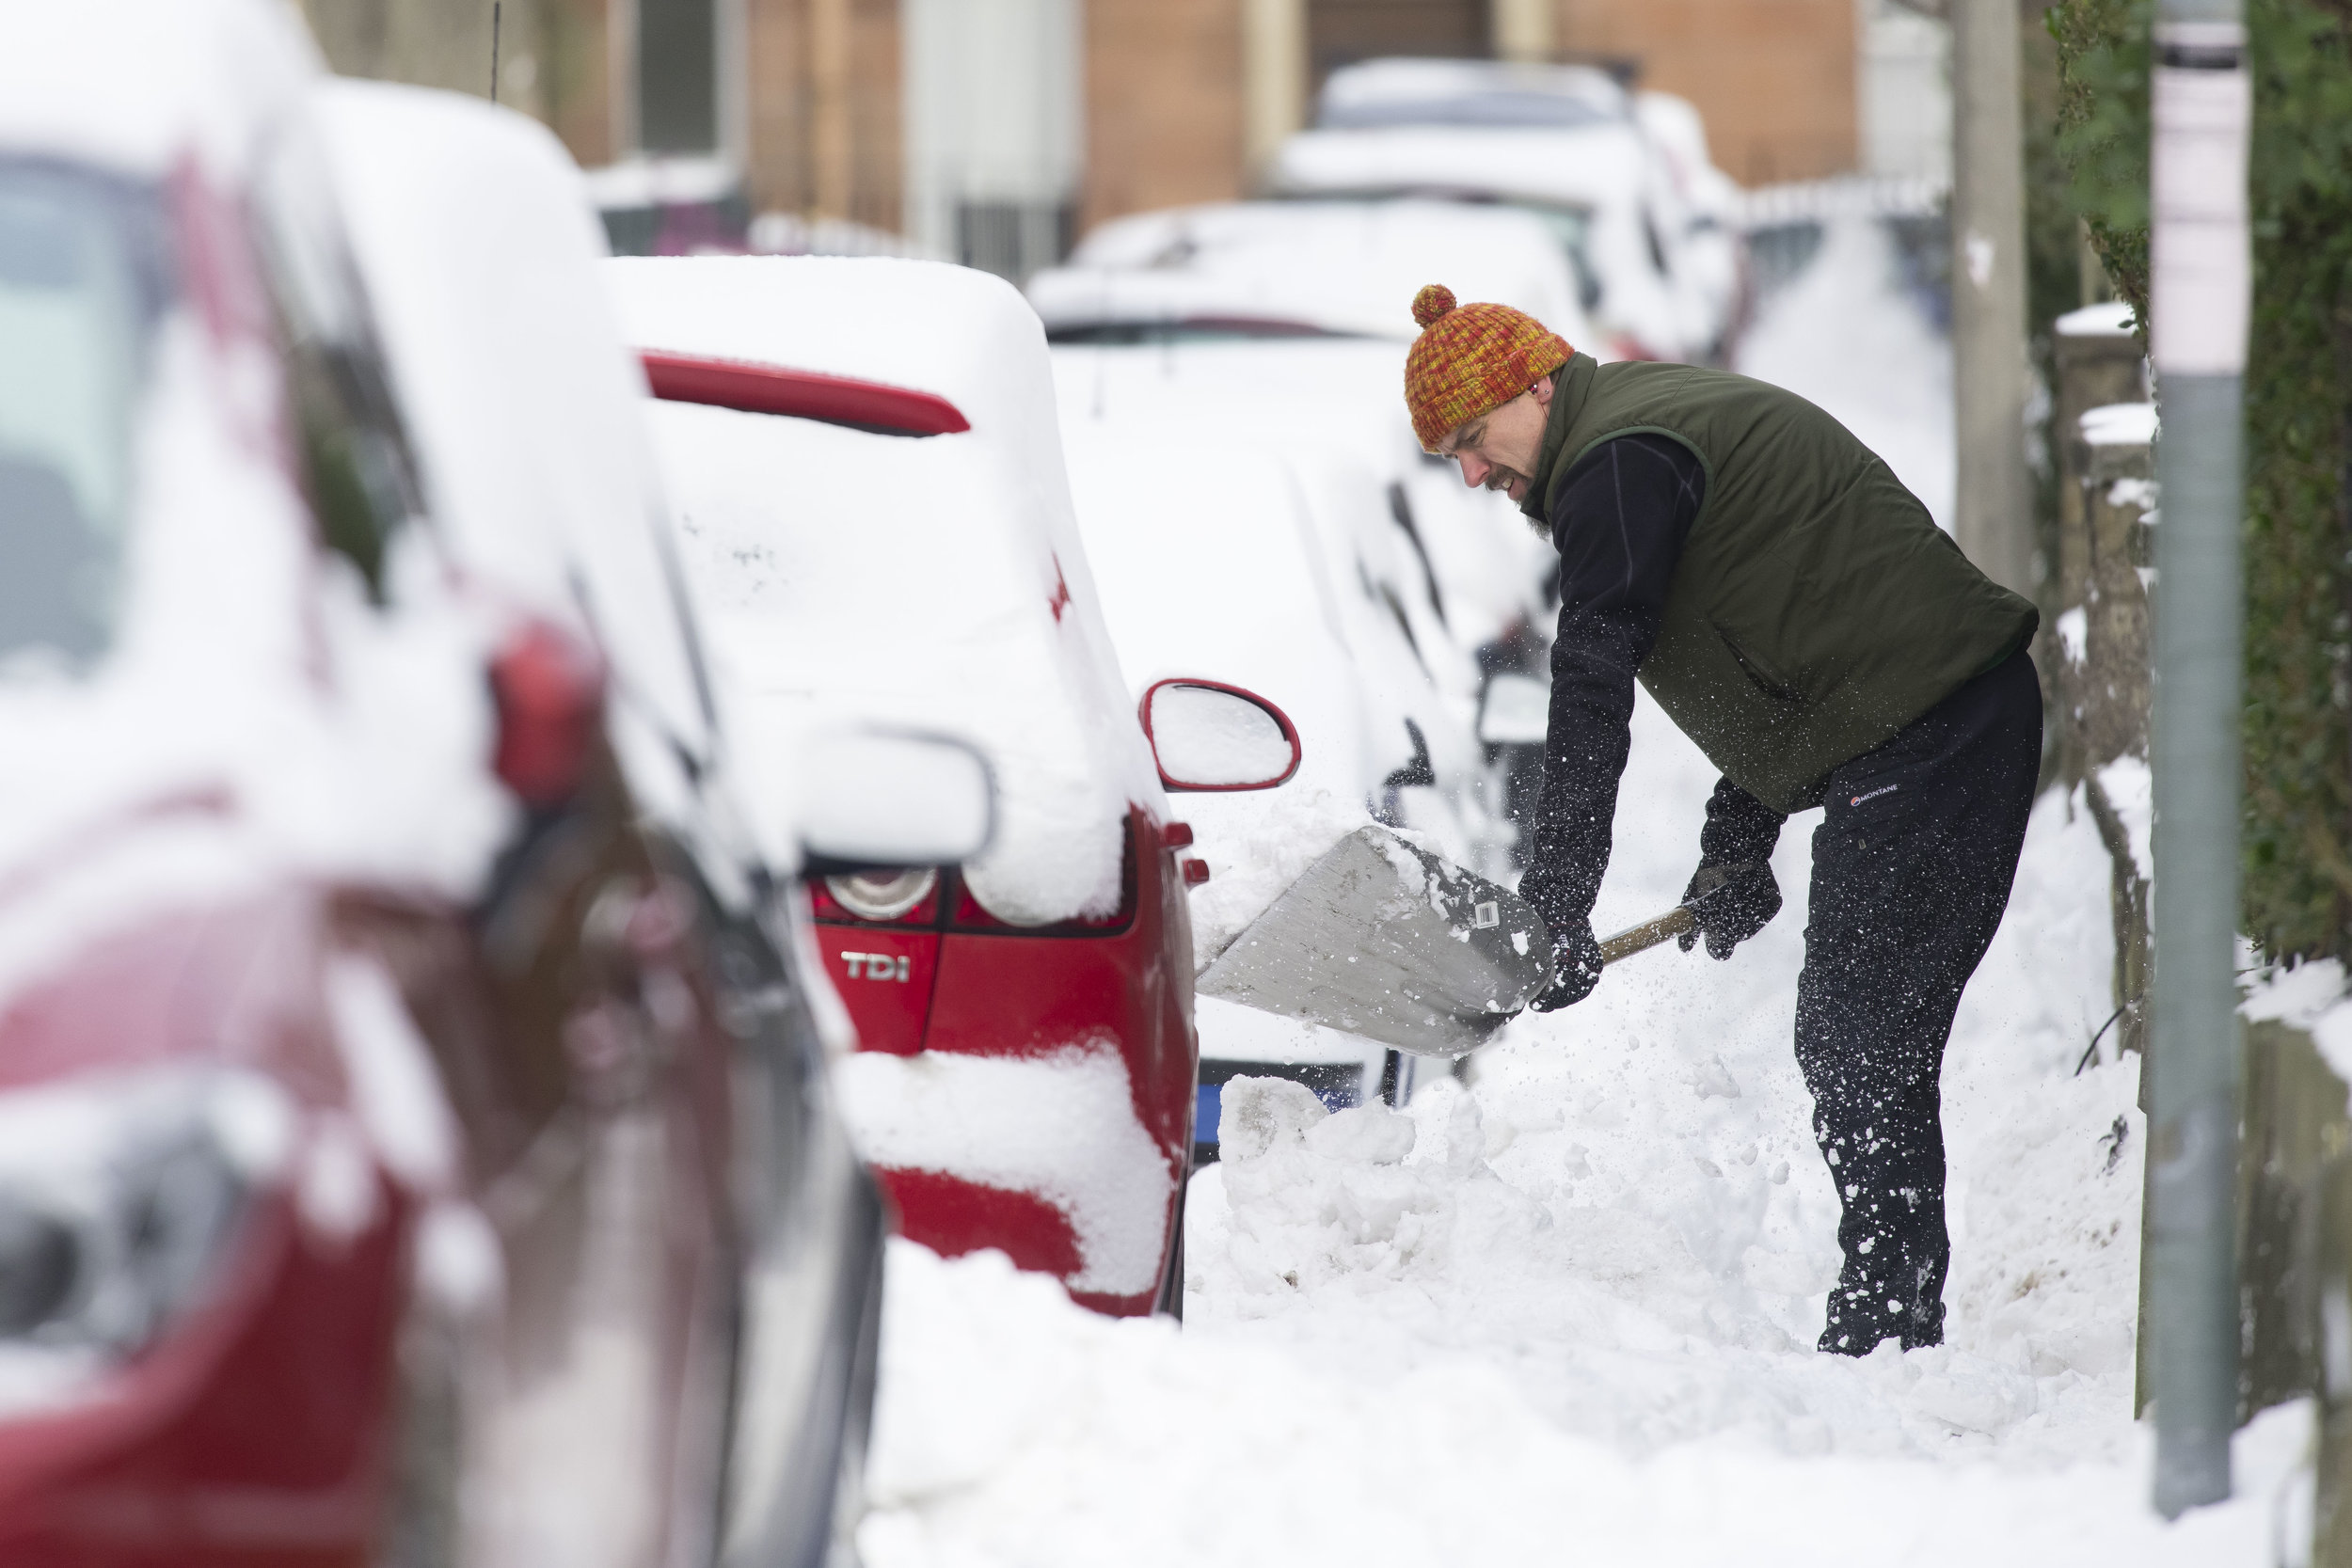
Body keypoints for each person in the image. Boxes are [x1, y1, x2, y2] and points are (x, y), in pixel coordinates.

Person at [1403, 283, 2040, 1356]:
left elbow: (1592, 683)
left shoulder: (1617, 462)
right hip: (1927, 725)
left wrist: (1556, 900)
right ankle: (1896, 1314)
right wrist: (1735, 840)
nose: (1471, 473)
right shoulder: (1629, 442)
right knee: (1866, 1042)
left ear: (1539, 384)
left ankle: (1888, 1328)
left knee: (1856, 1042)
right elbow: (1792, 637)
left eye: (1473, 438)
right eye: (1449, 457)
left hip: (1936, 731)